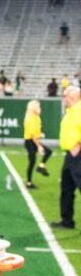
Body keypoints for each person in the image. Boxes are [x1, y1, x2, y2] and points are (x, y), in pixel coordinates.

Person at [52, 86, 81, 230]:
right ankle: (67, 220)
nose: (64, 99)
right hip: (70, 155)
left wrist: (79, 146)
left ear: (73, 97)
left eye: (65, 96)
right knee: (67, 188)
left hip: (78, 155)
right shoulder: (71, 111)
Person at [23, 99, 52, 188]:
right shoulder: (31, 118)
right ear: (33, 108)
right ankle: (29, 182)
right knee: (32, 162)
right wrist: (38, 146)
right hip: (30, 142)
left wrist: (40, 134)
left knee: (48, 152)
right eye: (38, 106)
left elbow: (36, 132)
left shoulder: (36, 117)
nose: (40, 108)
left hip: (33, 141)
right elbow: (32, 135)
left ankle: (41, 166)